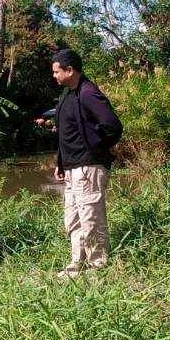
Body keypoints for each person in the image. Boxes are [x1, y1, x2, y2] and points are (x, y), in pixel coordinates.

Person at [36, 49, 122, 276]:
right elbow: (66, 133)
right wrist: (61, 163)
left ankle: (97, 266)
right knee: (73, 219)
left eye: (56, 71)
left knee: (91, 218)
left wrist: (95, 149)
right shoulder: (68, 94)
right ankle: (77, 263)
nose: (54, 76)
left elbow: (113, 126)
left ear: (70, 70)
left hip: (88, 167)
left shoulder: (88, 92)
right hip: (72, 168)